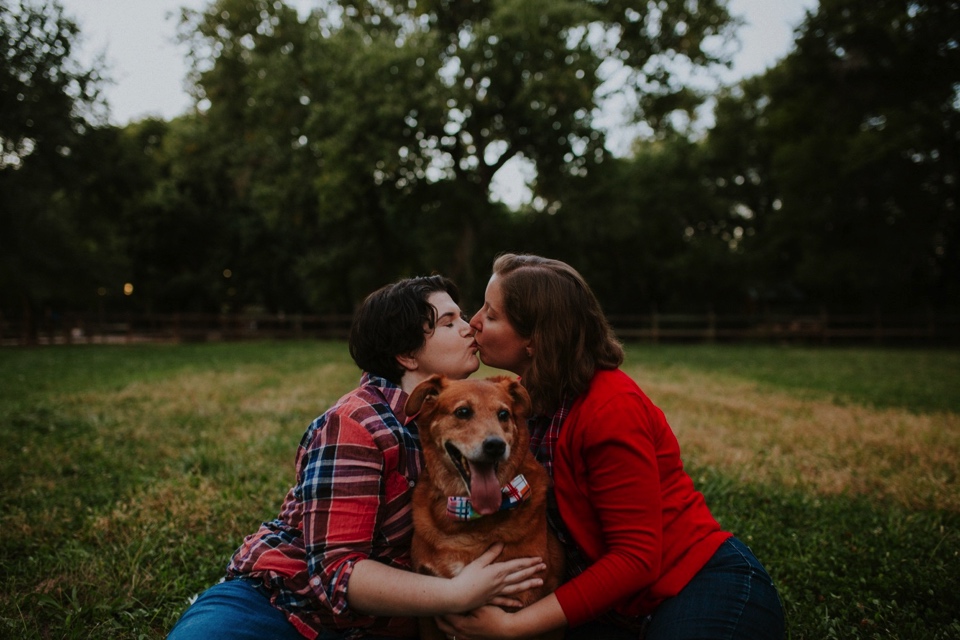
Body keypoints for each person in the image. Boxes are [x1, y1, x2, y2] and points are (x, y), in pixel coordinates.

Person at [168, 275, 547, 640]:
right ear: (406, 354)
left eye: (462, 317)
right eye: (449, 322)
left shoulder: (456, 418)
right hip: (282, 604)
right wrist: (459, 593)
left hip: (382, 624)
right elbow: (336, 569)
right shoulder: (356, 424)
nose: (470, 327)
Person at [441, 254, 785, 640]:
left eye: (491, 314)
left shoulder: (610, 407)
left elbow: (636, 557)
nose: (474, 322)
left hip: (699, 585)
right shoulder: (519, 401)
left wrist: (513, 626)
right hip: (612, 609)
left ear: (535, 339)